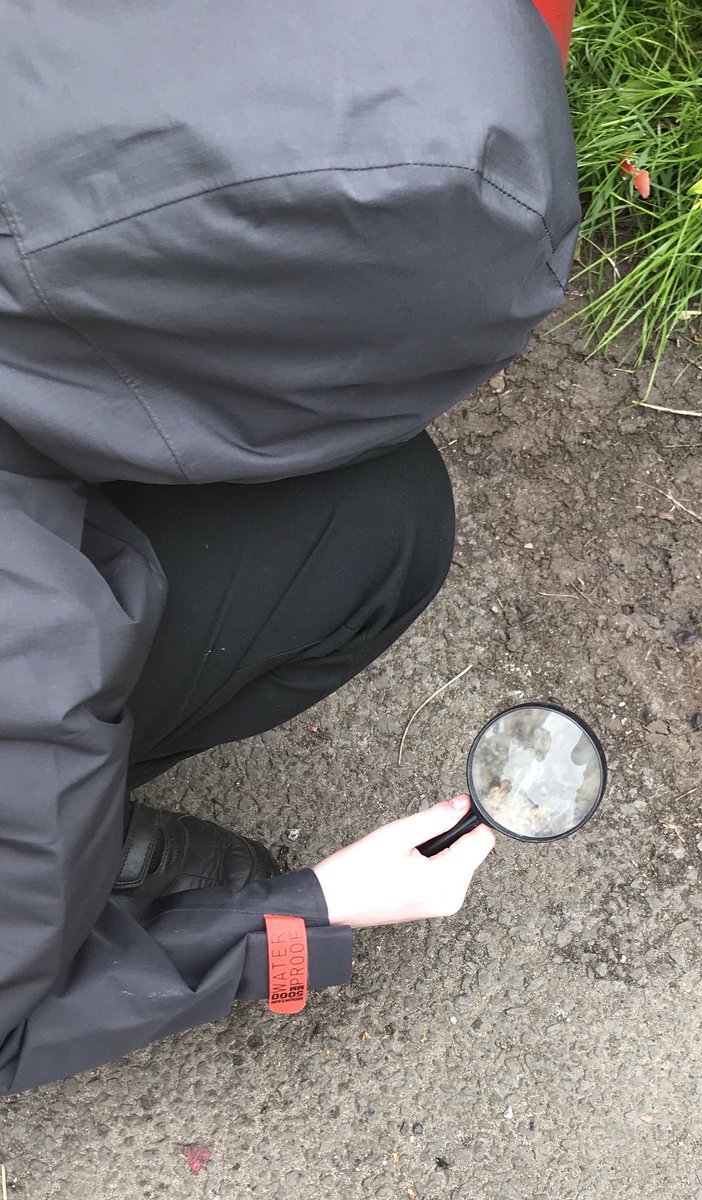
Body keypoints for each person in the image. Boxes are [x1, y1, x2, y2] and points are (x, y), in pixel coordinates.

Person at [0, 0, 578, 1093]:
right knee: (376, 530)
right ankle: (58, 864)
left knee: (376, 516)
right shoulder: (27, 648)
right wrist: (304, 915)